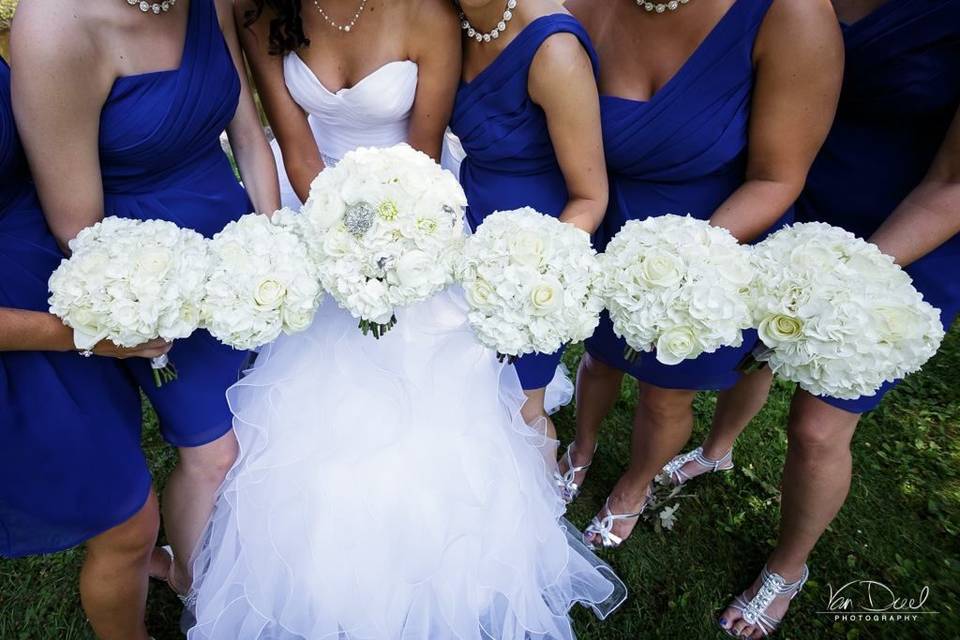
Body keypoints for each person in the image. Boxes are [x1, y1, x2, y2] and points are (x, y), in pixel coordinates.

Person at [187, 2, 624, 638]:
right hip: (317, 212)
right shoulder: (264, 13)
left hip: (417, 213)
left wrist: (392, 250)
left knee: (438, 403)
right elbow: (296, 146)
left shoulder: (429, 14)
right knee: (315, 409)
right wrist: (345, 252)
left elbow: (422, 153)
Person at [661, 1, 960, 636]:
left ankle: (788, 566)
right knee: (751, 345)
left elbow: (954, 183)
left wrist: (844, 274)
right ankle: (717, 451)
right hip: (795, 183)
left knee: (820, 427)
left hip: (915, 228)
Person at [11, 0, 279, 599]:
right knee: (215, 452)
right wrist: (156, 301)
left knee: (269, 412)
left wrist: (272, 243)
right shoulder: (56, 26)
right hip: (152, 275)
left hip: (238, 246)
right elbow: (76, 226)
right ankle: (198, 586)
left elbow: (247, 135)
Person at [0, 53, 171, 640]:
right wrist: (85, 335)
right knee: (124, 518)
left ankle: (143, 561)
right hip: (23, 344)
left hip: (53, 286)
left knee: (118, 465)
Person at [450, 0, 609, 439]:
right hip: (468, 218)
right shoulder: (449, 20)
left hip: (538, 248)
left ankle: (534, 498)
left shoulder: (554, 49)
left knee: (521, 407)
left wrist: (530, 276)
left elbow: (590, 197)